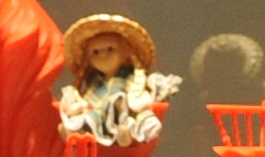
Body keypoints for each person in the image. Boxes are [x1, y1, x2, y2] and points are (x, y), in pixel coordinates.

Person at [55, 14, 180, 148]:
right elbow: (89, 100)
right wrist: (80, 106)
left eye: (110, 49)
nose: (103, 55)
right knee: (87, 119)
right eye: (95, 52)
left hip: (123, 114)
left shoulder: (129, 76)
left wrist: (140, 100)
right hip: (99, 116)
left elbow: (138, 92)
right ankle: (74, 133)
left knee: (135, 120)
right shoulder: (95, 81)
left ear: (125, 52)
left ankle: (128, 136)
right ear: (89, 59)